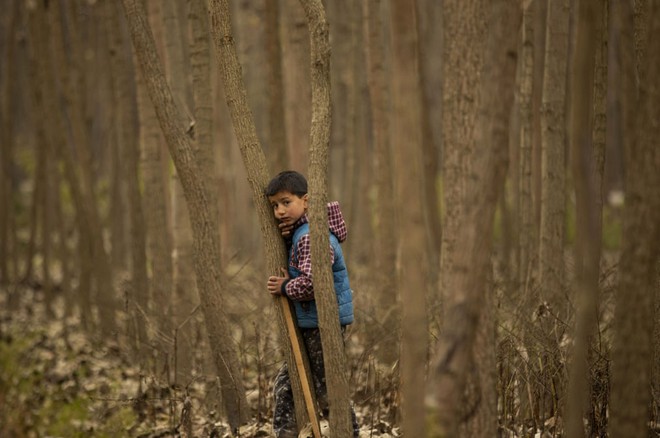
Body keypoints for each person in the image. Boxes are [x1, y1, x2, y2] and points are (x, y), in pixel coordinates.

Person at [265, 170, 359, 438]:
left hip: (321, 324)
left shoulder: (310, 236)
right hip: (311, 322)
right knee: (287, 384)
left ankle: (348, 433)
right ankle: (286, 432)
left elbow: (315, 282)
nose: (280, 211)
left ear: (306, 201)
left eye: (286, 202)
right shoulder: (302, 233)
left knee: (329, 390)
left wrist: (285, 287)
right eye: (275, 205)